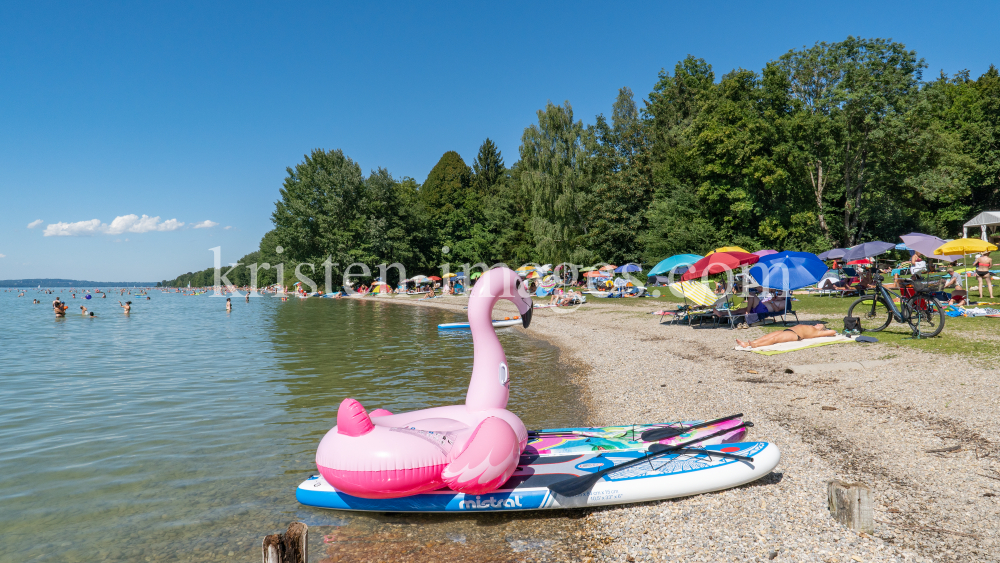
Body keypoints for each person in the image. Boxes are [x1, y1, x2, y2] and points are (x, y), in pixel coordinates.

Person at [736, 323, 838, 349]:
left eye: (820, 325)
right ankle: (747, 343)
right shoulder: (814, 328)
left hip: (795, 334)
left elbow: (833, 331)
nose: (817, 325)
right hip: (788, 330)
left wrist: (824, 329)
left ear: (822, 329)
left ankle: (755, 345)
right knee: (766, 336)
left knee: (774, 339)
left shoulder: (818, 332)